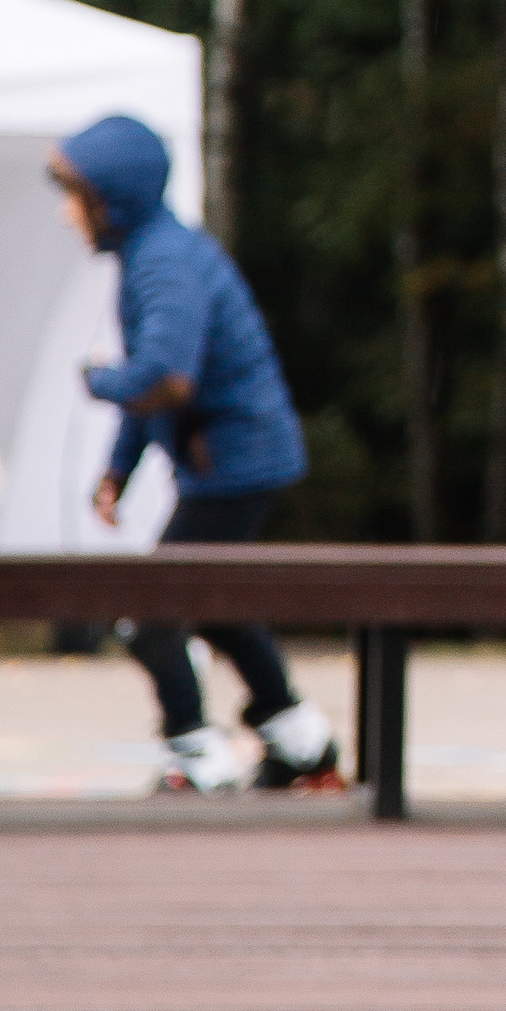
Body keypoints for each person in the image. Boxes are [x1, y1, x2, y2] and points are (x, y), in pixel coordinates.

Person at [50, 113, 341, 796]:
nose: (67, 216)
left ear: (111, 200)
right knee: (217, 606)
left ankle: (199, 755)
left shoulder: (163, 261)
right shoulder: (154, 251)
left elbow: (163, 378)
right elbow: (157, 387)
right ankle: (303, 742)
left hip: (233, 466)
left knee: (150, 615)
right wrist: (120, 469)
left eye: (74, 198)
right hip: (235, 461)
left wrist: (96, 379)